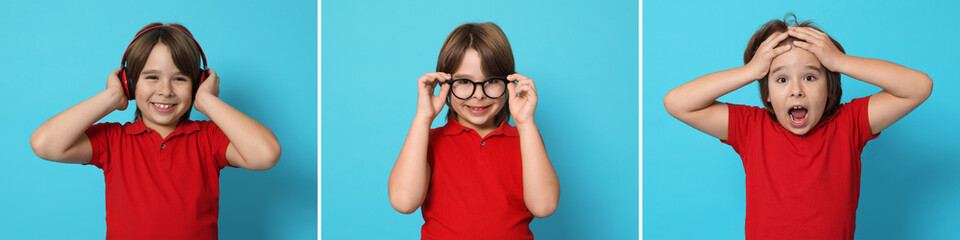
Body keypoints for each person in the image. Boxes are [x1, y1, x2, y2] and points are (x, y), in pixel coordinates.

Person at [663, 14, 932, 239]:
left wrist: (840, 61)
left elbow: (919, 87)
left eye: (810, 77)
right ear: (766, 92)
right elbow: (677, 103)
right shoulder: (751, 128)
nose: (796, 91)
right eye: (781, 79)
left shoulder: (849, 124)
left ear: (829, 89)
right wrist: (751, 71)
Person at [30, 23, 281, 239]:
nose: (166, 90)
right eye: (152, 77)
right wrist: (111, 97)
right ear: (129, 84)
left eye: (180, 79)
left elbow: (266, 154)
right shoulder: (113, 140)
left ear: (197, 85)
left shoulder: (208, 139)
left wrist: (207, 102)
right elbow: (44, 143)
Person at [388, 22, 560, 240]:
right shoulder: (427, 141)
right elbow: (404, 201)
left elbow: (544, 206)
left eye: (492, 81)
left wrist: (526, 124)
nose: (478, 95)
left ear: (510, 83)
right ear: (445, 83)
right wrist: (423, 118)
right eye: (464, 81)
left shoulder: (525, 139)